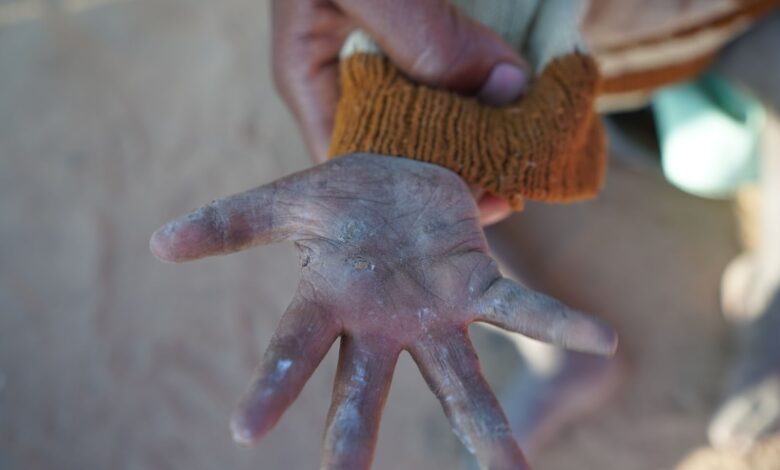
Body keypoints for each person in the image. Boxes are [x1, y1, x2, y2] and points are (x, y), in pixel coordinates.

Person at [153, 0, 780, 467]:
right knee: (422, 188)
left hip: (733, 30)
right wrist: (405, 139)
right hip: (599, 59)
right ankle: (553, 348)